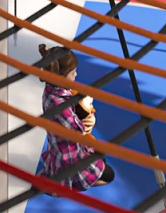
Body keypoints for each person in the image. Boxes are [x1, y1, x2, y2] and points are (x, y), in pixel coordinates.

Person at [34, 45, 113, 190]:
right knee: (109, 176)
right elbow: (78, 132)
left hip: (60, 147)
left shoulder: (52, 88)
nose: (76, 75)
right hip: (69, 156)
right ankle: (68, 183)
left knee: (101, 156)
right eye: (73, 73)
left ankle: (54, 176)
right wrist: (88, 115)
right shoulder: (58, 103)